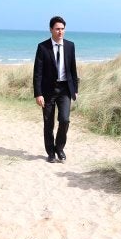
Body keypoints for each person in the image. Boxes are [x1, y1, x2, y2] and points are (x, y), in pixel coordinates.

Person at [33, 16, 79, 163]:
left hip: (65, 89)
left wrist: (75, 89)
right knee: (48, 123)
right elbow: (37, 73)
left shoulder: (70, 46)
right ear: (51, 30)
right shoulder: (42, 47)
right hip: (47, 91)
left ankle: (59, 148)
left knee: (64, 120)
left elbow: (73, 69)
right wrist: (38, 93)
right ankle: (51, 152)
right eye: (57, 29)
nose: (60, 31)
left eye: (62, 29)